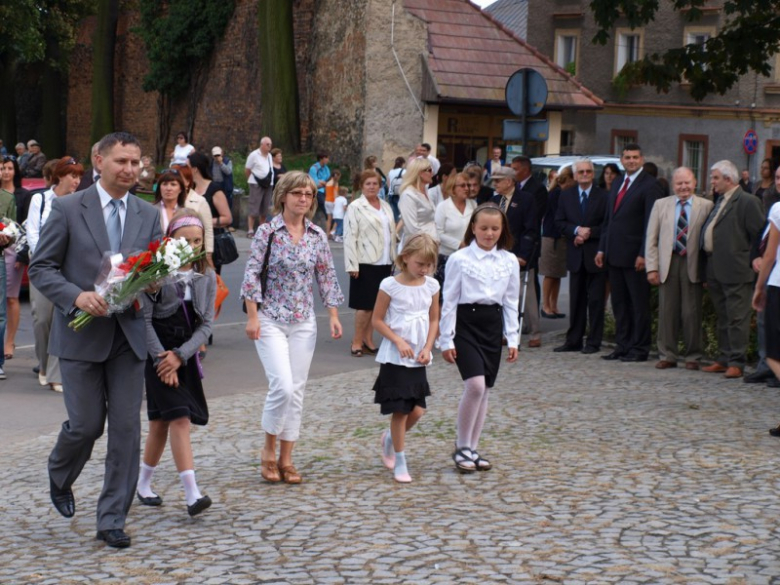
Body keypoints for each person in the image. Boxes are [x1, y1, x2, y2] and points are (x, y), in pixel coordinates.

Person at [28, 132, 163, 548]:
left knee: (125, 430)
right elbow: (41, 268)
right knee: (86, 426)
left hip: (128, 336)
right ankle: (60, 474)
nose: (129, 169)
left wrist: (156, 283)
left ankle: (111, 520)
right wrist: (77, 296)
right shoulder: (68, 208)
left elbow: (153, 272)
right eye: (121, 161)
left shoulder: (147, 213)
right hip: (80, 337)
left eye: (136, 162)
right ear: (98, 160)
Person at [241, 171, 344, 485]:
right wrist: (252, 316)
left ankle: (287, 458)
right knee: (282, 386)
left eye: (309, 194)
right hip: (270, 319)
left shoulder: (316, 235)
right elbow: (251, 275)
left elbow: (326, 276)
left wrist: (334, 315)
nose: (303, 198)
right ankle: (268, 450)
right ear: (283, 196)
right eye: (298, 192)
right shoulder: (267, 232)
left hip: (304, 322)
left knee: (296, 391)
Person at [136, 209, 216, 517]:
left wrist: (180, 355)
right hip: (157, 352)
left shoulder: (206, 276)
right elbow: (143, 320)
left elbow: (206, 324)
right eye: (185, 241)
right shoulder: (155, 273)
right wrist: (161, 358)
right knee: (180, 418)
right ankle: (192, 494)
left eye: (197, 241)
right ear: (170, 241)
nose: (192, 247)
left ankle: (143, 484)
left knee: (160, 421)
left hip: (184, 352)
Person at [440, 203, 519, 473]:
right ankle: (462, 445)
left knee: (485, 388)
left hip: (492, 326)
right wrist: (446, 339)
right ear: (473, 227)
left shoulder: (509, 261)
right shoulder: (459, 259)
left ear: (502, 230)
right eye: (483, 228)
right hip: (465, 324)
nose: (489, 233)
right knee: (474, 384)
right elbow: (448, 300)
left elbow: (511, 301)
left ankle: (472, 448)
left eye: (495, 228)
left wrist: (513, 337)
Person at [372, 233, 440, 483]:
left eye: (429, 265)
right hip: (395, 358)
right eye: (420, 264)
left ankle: (389, 438)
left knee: (418, 411)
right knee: (400, 411)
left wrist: (428, 347)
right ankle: (400, 459)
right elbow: (377, 320)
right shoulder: (389, 285)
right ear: (405, 257)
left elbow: (434, 319)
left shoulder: (432, 286)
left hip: (418, 357)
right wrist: (398, 340)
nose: (425, 269)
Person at [596, 143, 663, 362]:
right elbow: (609, 220)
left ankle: (639, 347)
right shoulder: (617, 182)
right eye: (627, 157)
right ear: (621, 160)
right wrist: (602, 248)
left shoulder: (650, 185)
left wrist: (644, 253)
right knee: (619, 304)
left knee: (638, 305)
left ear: (641, 159)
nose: (631, 161)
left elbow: (650, 224)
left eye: (635, 157)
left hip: (636, 256)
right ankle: (622, 345)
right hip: (614, 254)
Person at [645, 167, 714, 370]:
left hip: (693, 263)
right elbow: (651, 239)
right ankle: (668, 354)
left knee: (691, 312)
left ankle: (693, 356)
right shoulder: (661, 205)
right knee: (667, 311)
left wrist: (708, 272)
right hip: (668, 262)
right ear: (673, 185)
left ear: (694, 182)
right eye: (679, 183)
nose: (683, 187)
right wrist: (652, 268)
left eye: (687, 182)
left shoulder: (707, 206)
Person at [700, 160, 764, 378]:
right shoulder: (719, 200)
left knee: (737, 317)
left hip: (737, 269)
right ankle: (724, 357)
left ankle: (737, 361)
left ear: (728, 179)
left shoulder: (747, 201)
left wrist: (753, 260)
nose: (712, 182)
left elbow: (758, 235)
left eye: (715, 177)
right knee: (723, 316)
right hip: (716, 267)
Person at [27, 156, 85, 392]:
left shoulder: (80, 202)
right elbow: (32, 232)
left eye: (80, 176)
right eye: (73, 175)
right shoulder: (40, 199)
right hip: (44, 266)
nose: (77, 181)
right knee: (42, 319)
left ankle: (55, 374)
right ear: (60, 175)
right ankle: (43, 364)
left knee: (65, 319)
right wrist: (44, 257)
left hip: (69, 268)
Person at [553, 160, 609, 354]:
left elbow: (607, 225)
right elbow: (559, 221)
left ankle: (593, 342)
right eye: (581, 172)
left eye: (588, 171)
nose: (584, 174)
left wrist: (589, 232)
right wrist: (575, 231)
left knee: (595, 302)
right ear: (575, 176)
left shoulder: (603, 196)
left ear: (593, 174)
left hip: (596, 256)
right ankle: (573, 340)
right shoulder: (566, 196)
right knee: (576, 301)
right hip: (576, 255)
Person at [344, 170, 397, 357]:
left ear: (380, 186)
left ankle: (368, 339)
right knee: (364, 306)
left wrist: (394, 258)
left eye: (375, 183)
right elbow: (350, 236)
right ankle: (356, 341)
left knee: (377, 305)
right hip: (365, 262)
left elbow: (390, 233)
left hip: (385, 261)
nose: (372, 187)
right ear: (361, 186)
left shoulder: (385, 206)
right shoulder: (355, 207)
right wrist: (352, 264)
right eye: (368, 184)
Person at [491, 166, 541, 347]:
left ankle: (534, 332)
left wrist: (523, 255)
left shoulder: (526, 199)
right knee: (502, 294)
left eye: (498, 180)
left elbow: (531, 229)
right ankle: (506, 331)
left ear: (510, 181)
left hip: (520, 253)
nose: (494, 183)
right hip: (498, 253)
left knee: (525, 295)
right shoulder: (495, 200)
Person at [2, 156, 31, 361]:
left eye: (10, 168)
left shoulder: (23, 196)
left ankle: (9, 341)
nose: (6, 172)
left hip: (13, 250)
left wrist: (22, 254)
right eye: (3, 168)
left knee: (11, 298)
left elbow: (28, 227)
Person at [539, 166, 573, 319]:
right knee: (550, 274)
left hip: (559, 238)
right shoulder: (557, 193)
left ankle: (553, 305)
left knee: (557, 274)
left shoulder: (561, 192)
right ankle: (546, 305)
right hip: (552, 237)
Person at [188, 153, 231, 272]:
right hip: (193, 243)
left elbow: (227, 218)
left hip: (211, 243)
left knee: (210, 284)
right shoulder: (190, 189)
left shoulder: (215, 189)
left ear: (195, 169)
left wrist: (204, 221)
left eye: (187, 167)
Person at [434, 172, 476, 289]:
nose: (467, 188)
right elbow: (438, 233)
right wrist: (459, 244)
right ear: (453, 188)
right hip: (447, 257)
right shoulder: (443, 207)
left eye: (468, 185)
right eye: (462, 186)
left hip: (469, 257)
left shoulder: (473, 205)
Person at [170, 164, 215, 268]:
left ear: (187, 182)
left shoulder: (200, 201)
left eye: (179, 179)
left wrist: (208, 253)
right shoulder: (167, 201)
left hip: (194, 253)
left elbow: (208, 229)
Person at [398, 158, 437, 246]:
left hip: (431, 245)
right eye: (430, 170)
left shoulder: (425, 191)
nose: (432, 173)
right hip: (418, 247)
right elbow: (412, 228)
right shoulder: (408, 195)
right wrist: (428, 244)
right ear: (420, 173)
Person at [245, 137, 274, 236]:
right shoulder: (254, 155)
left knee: (265, 208)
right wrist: (252, 180)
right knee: (254, 206)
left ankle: (261, 229)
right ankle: (250, 230)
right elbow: (247, 169)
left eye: (270, 144)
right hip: (256, 183)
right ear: (262, 145)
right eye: (267, 144)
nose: (269, 146)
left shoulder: (269, 156)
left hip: (268, 184)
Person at [210, 146, 233, 211]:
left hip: (224, 185)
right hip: (215, 185)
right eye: (215, 155)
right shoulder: (211, 162)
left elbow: (228, 172)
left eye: (218, 154)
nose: (217, 156)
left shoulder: (227, 161)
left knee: (227, 205)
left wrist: (221, 163)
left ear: (222, 153)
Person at [386, 156, 406, 222]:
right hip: (399, 194)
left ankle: (395, 227)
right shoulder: (404, 171)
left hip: (391, 194)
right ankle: (399, 229)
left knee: (393, 213)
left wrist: (390, 190)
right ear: (403, 163)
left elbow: (388, 183)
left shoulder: (390, 171)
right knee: (401, 214)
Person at [324, 169, 341, 238]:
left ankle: (327, 232)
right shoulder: (335, 183)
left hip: (327, 201)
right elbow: (335, 194)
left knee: (329, 218)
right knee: (337, 218)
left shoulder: (327, 183)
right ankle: (332, 231)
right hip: (332, 202)